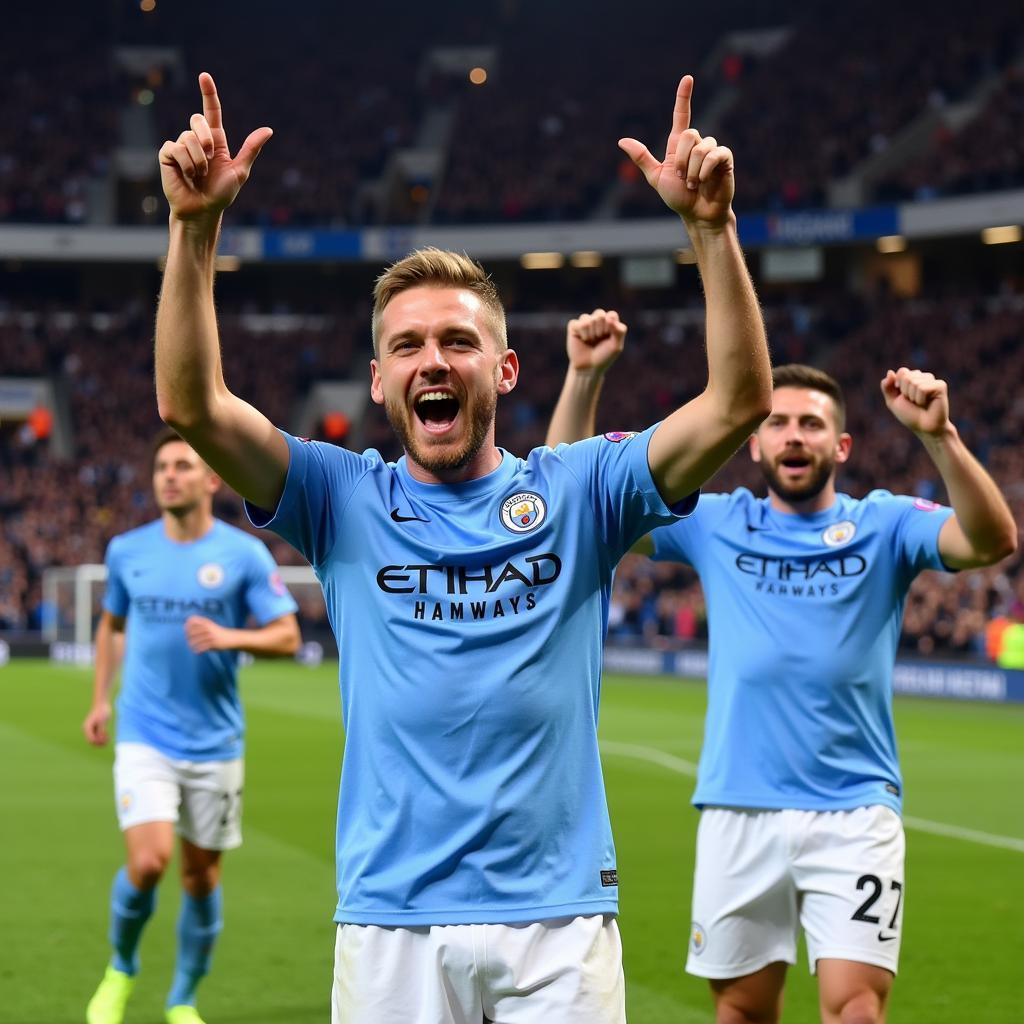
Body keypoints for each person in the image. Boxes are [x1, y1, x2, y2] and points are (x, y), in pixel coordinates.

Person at [152, 70, 771, 1023]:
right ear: (376, 381)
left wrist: (712, 231)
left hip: (557, 926)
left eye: (456, 341)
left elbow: (736, 405)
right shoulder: (337, 495)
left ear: (504, 368)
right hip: (392, 922)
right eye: (405, 347)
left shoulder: (581, 490)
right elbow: (192, 404)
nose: (431, 360)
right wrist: (194, 232)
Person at [547, 354, 1017, 1023]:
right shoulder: (712, 521)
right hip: (740, 806)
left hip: (854, 808)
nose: (795, 435)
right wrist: (585, 378)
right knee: (742, 1011)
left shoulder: (884, 523)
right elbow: (575, 495)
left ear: (841, 445)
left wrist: (939, 436)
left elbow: (992, 539)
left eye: (812, 424)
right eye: (780, 423)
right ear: (755, 442)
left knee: (856, 1008)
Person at [82, 429, 301, 1024]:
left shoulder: (244, 555)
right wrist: (101, 700)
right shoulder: (128, 551)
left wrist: (231, 636)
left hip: (216, 741)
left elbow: (287, 635)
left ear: (211, 480)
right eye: (161, 467)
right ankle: (121, 968)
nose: (169, 476)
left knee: (201, 878)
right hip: (144, 733)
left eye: (182, 465)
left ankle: (182, 999)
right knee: (149, 862)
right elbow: (111, 626)